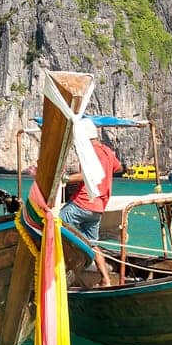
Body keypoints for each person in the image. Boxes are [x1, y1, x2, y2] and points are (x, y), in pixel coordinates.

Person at [58, 121, 121, 288]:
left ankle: (68, 267)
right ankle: (106, 280)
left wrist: (64, 178)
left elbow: (88, 175)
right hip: (99, 207)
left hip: (84, 201)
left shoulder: (91, 151)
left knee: (55, 223)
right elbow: (117, 167)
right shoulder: (107, 151)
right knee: (93, 243)